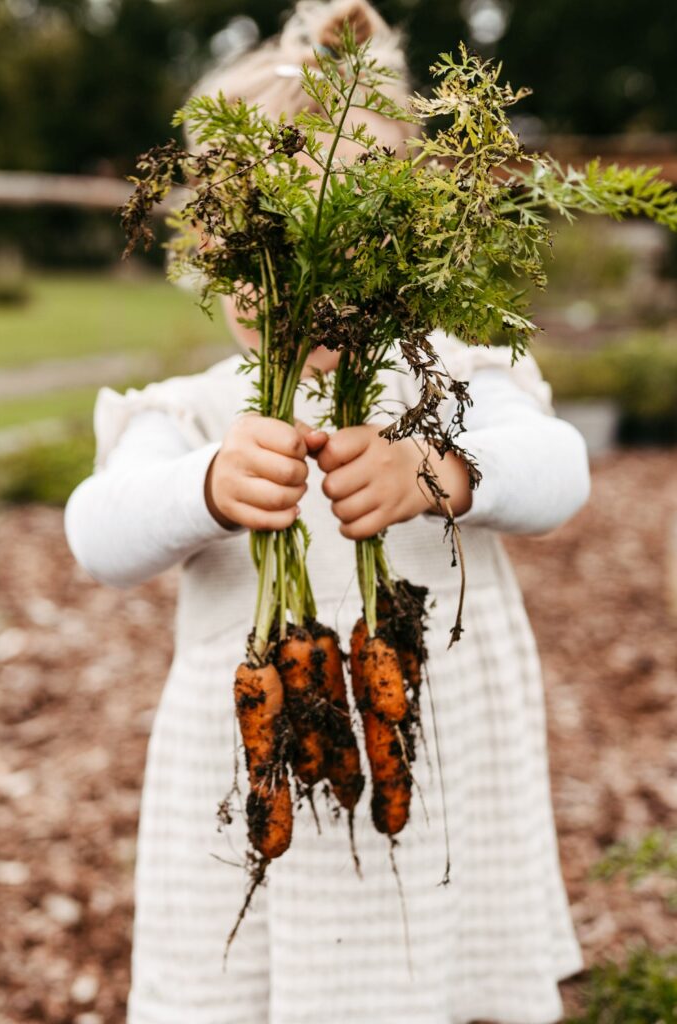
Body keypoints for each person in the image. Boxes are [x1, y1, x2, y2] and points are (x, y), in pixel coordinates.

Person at [65, 2, 590, 1022]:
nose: (300, 277)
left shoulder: (448, 386)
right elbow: (98, 535)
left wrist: (436, 471)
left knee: (442, 978)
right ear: (214, 251)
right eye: (264, 244)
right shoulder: (194, 415)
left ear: (405, 242)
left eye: (341, 238)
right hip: (256, 789)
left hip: (434, 776)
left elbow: (558, 471)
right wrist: (205, 487)